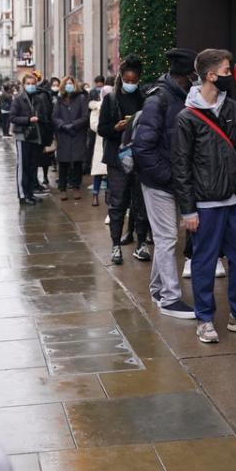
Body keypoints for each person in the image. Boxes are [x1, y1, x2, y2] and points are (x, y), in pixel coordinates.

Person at [174, 49, 236, 340]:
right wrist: (188, 210)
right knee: (204, 261)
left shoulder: (232, 109)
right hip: (205, 205)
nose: (231, 75)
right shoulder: (186, 118)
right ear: (211, 75)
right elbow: (182, 167)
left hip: (235, 201)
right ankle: (205, 318)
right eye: (227, 71)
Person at [134, 48, 199, 319]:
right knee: (167, 238)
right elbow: (143, 147)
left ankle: (158, 288)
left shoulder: (178, 96)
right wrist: (169, 177)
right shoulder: (159, 99)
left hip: (168, 180)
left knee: (166, 237)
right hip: (159, 181)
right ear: (186, 74)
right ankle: (170, 298)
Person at [98, 56, 150, 264]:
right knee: (117, 203)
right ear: (121, 77)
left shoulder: (145, 98)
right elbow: (102, 128)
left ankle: (141, 243)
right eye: (127, 79)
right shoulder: (110, 99)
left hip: (139, 157)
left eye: (134, 80)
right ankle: (115, 245)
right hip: (117, 158)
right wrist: (116, 128)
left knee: (141, 202)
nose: (130, 83)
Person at [52, 76, 90, 200]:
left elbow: (85, 117)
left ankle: (76, 187)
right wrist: (63, 125)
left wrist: (73, 125)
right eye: (67, 83)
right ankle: (62, 188)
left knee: (77, 163)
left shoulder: (81, 98)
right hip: (63, 134)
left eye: (71, 83)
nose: (69, 85)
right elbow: (55, 116)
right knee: (63, 163)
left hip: (77, 134)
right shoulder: (59, 99)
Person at [10, 73, 44, 206]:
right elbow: (13, 117)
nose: (31, 86)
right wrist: (28, 120)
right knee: (23, 166)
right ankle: (23, 195)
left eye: (33, 83)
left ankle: (30, 192)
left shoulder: (37, 98)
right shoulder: (18, 99)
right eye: (28, 84)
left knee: (32, 166)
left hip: (34, 136)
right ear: (23, 85)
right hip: (22, 135)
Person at [89, 85, 110, 207]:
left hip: (112, 140)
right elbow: (93, 124)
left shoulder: (115, 104)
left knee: (110, 170)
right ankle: (95, 195)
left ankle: (108, 193)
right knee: (98, 170)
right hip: (101, 140)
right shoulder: (97, 107)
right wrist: (104, 129)